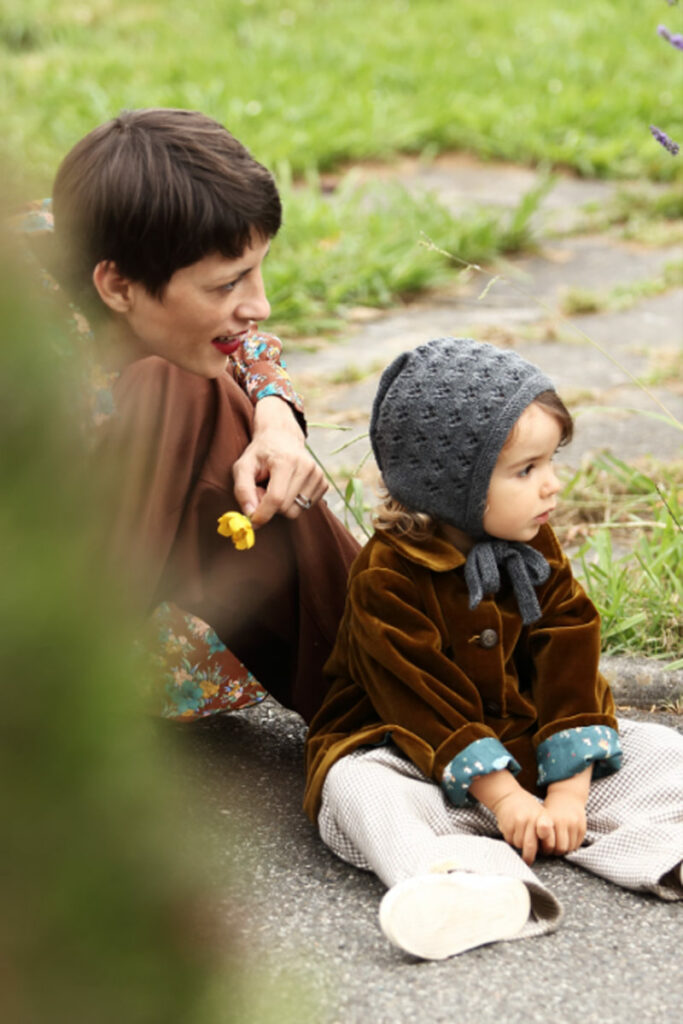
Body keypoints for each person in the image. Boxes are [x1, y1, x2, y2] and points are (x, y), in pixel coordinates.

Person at [303, 337, 683, 961]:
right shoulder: (388, 577)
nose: (552, 487)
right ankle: (471, 884)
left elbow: (570, 646)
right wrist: (503, 797)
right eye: (526, 470)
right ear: (452, 485)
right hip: (417, 757)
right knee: (356, 789)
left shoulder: (535, 544)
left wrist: (568, 790)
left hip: (536, 748)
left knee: (659, 748)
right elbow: (418, 697)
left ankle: (657, 850)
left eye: (551, 461)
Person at [18, 108, 359, 723]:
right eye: (228, 285)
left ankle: (411, 680)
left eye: (255, 271)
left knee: (203, 391)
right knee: (177, 383)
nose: (260, 303)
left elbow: (247, 346)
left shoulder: (109, 224)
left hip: (155, 617)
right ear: (116, 286)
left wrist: (276, 421)